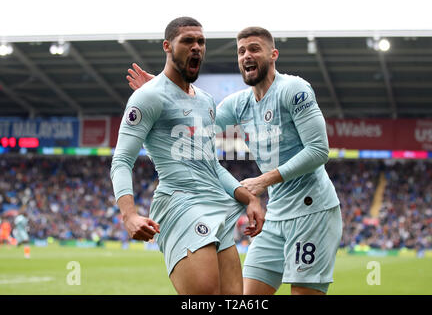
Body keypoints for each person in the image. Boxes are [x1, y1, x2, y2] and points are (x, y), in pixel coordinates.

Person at [126, 26, 342, 295]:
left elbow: (320, 149)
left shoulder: (294, 89)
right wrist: (164, 93)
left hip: (313, 211)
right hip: (275, 214)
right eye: (241, 51)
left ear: (273, 54)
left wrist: (264, 180)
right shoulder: (237, 104)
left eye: (254, 49)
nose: (246, 56)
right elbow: (195, 120)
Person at [111, 17, 265, 295]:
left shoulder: (206, 101)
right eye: (188, 41)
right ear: (167, 47)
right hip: (182, 203)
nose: (196, 47)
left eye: (201, 42)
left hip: (217, 206)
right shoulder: (148, 97)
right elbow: (122, 159)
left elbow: (210, 166)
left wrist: (249, 198)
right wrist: (129, 215)